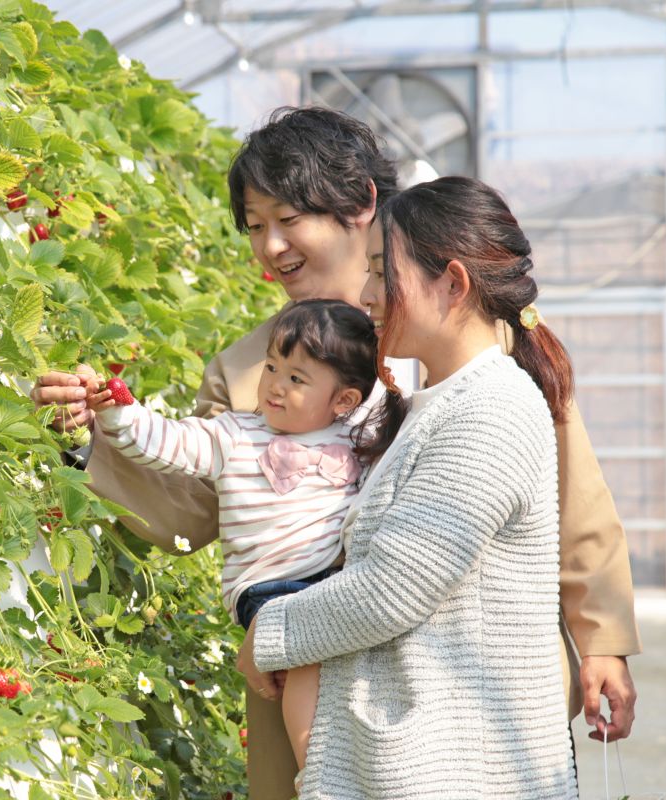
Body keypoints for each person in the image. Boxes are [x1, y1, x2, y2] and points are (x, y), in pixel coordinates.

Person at [30, 107, 639, 799]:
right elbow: (190, 509)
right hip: (308, 674)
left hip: (461, 683)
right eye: (253, 226)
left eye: (288, 218)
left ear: (362, 205)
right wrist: (93, 437)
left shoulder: (473, 342)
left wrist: (602, 637)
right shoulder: (253, 369)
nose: (270, 246)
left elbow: (571, 492)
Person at [238, 176, 580, 797]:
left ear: (452, 283)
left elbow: (392, 589)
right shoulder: (443, 403)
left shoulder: (490, 409)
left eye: (381, 273)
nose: (366, 294)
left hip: (462, 770)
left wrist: (272, 630)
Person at [85, 300, 403, 770]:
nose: (275, 385)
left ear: (343, 402)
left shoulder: (355, 440)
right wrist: (120, 414)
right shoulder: (235, 434)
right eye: (271, 367)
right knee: (304, 667)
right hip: (270, 588)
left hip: (334, 578)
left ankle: (357, 769)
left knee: (350, 672)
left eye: (296, 378)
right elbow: (169, 443)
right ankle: (315, 773)